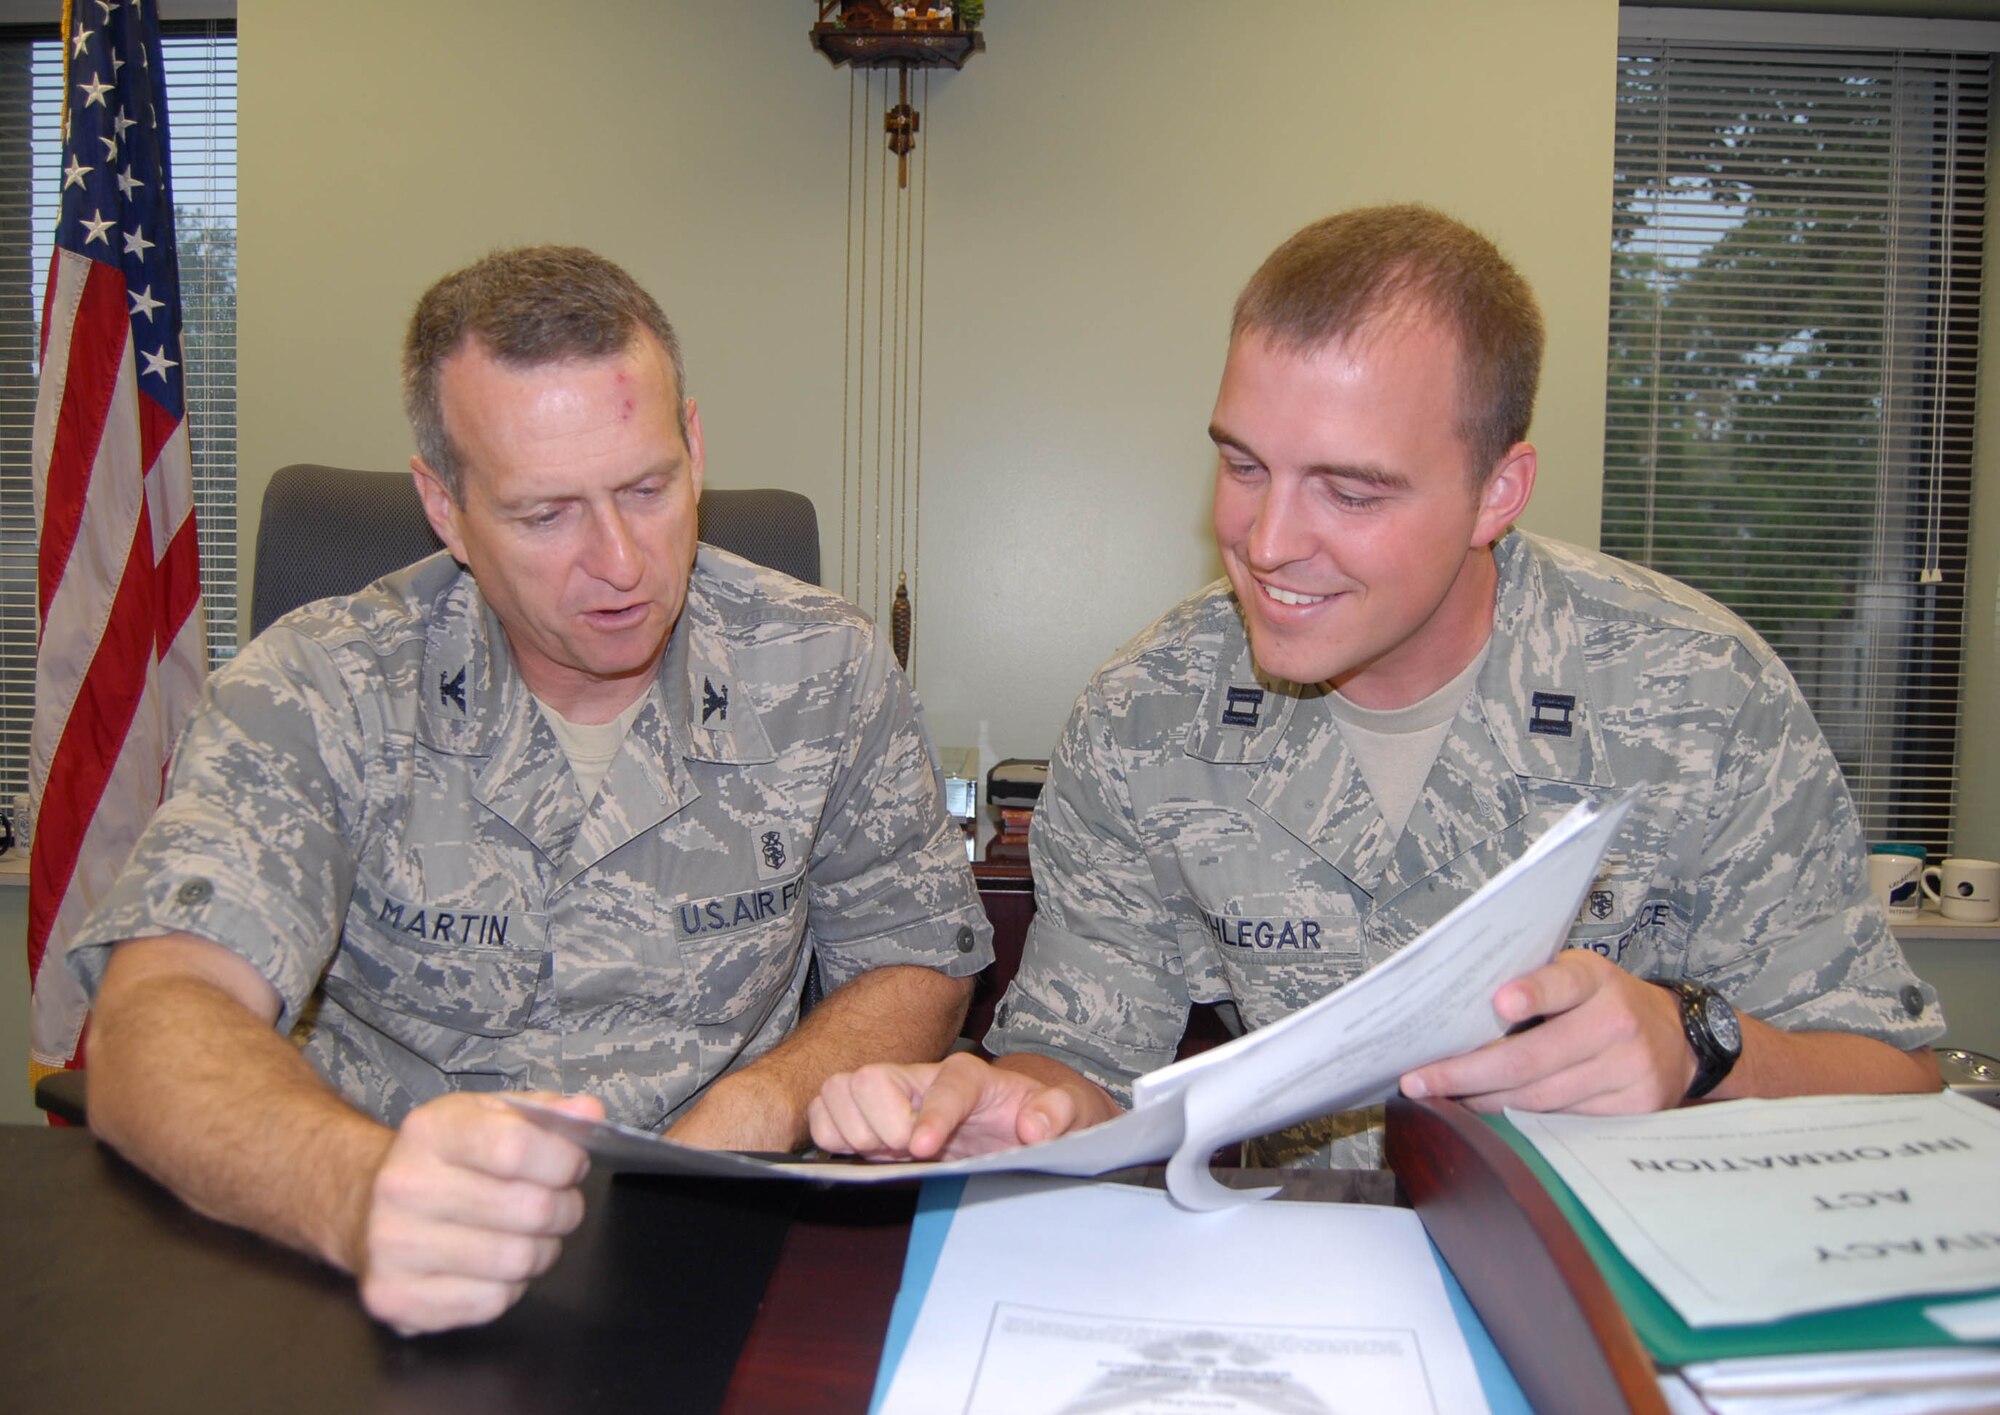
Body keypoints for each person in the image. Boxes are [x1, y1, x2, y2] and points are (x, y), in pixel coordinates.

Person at [809, 203, 1944, 1170]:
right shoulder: (1148, 713)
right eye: (1243, 464)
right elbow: (1080, 1061)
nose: (1266, 542)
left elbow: (1894, 1079)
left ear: (1497, 492)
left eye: (1350, 493)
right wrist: (1021, 1106)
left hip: (1607, 1283)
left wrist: (1695, 1044)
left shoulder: (1698, 691)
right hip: (1300, 1273)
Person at [69, 245, 993, 1334]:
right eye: (545, 514)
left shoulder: (823, 667)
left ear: (694, 446)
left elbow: (915, 956)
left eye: (647, 488)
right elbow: (156, 1018)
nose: (621, 561)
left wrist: (764, 1101)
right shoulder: (320, 686)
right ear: (445, 505)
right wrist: (359, 1191)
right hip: (388, 1273)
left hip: (714, 1251)